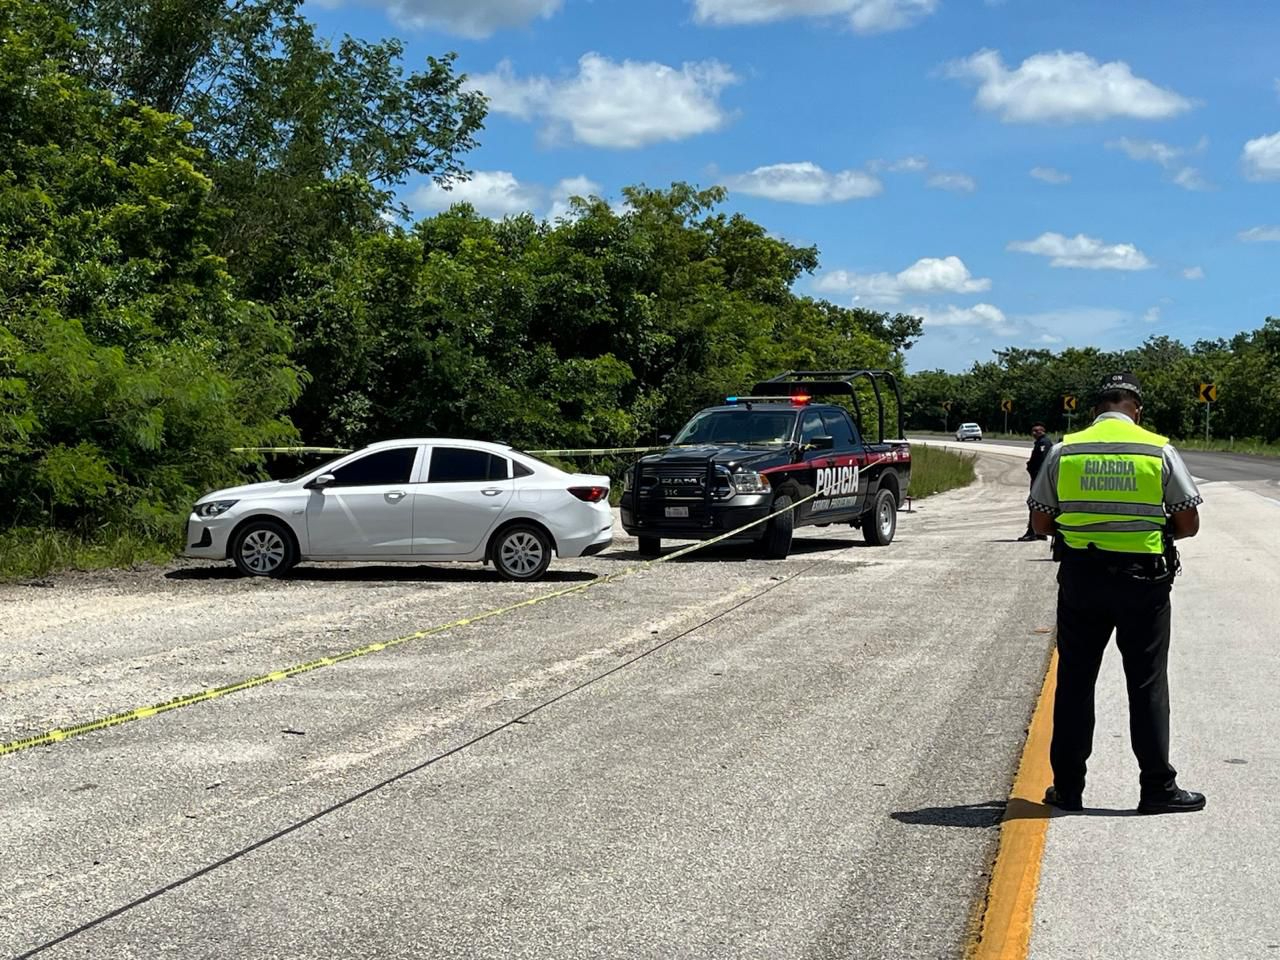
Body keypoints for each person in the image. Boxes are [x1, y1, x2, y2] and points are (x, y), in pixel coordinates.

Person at [1028, 372, 1205, 815]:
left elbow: (1041, 524)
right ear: (1136, 409)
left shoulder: (1065, 450)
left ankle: (1067, 789)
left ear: (1095, 410)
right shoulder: (1157, 449)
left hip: (1082, 579)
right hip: (1143, 581)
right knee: (1146, 683)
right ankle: (1157, 788)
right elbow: (1188, 523)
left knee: (1074, 682)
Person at [1017, 423, 1054, 541]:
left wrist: (1039, 477)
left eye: (1037, 431)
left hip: (1039, 479)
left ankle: (1032, 531)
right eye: (1033, 431)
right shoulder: (1040, 442)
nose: (1034, 433)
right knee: (1036, 504)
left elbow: (1043, 461)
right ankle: (1039, 532)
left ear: (1042, 431)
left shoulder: (1044, 443)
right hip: (1038, 478)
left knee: (1034, 504)